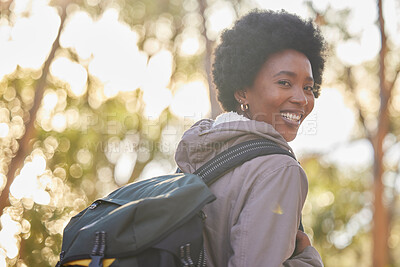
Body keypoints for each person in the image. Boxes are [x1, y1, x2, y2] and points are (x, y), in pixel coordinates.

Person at [175, 9, 327, 266]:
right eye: (284, 83)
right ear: (242, 91)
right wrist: (308, 259)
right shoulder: (278, 169)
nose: (302, 99)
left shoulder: (202, 155)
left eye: (308, 87)